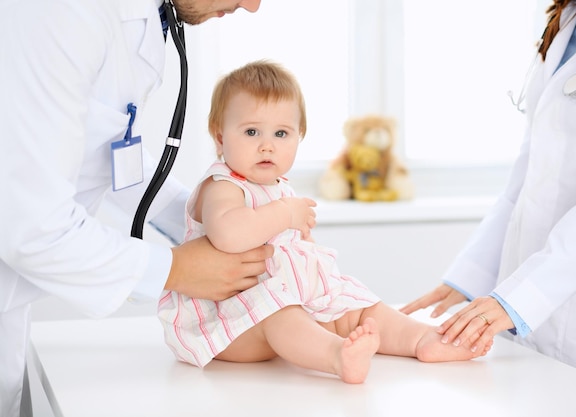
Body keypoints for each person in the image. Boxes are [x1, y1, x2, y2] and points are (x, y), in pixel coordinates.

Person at [0, 1, 273, 416]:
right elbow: (32, 227)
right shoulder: (65, 12)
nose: (252, 5)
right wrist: (177, 268)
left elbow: (106, 151)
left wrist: (206, 214)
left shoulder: (141, 18)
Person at [157, 60, 492, 384]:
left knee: (357, 304)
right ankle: (337, 356)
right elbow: (228, 235)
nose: (267, 145)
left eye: (282, 133)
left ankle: (422, 339)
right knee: (280, 312)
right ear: (219, 137)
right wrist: (286, 214)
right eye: (251, 131)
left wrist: (321, 278)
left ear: (300, 136)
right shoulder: (223, 185)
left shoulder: (278, 187)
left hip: (288, 305)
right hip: (227, 322)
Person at [401, 0, 576, 388]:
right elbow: (530, 174)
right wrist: (471, 276)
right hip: (524, 314)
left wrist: (520, 298)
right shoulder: (571, 19)